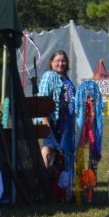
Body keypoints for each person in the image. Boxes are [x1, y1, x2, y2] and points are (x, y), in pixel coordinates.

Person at [37, 50, 76, 190]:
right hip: (52, 119)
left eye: (63, 60)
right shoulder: (49, 76)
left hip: (65, 121)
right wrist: (45, 120)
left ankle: (58, 183)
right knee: (49, 146)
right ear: (52, 62)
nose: (61, 63)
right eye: (58, 61)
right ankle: (42, 178)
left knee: (61, 150)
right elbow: (42, 99)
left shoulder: (65, 77)